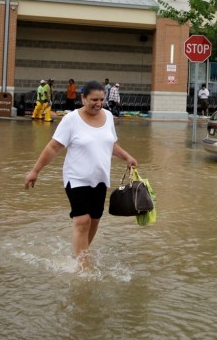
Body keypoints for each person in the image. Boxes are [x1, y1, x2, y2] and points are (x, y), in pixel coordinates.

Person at [24, 80, 138, 270]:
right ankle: (84, 265)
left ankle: (80, 254)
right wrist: (35, 171)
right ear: (83, 98)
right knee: (82, 220)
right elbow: (53, 147)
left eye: (101, 99)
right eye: (94, 99)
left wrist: (126, 157)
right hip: (76, 177)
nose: (98, 103)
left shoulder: (108, 117)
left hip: (100, 177)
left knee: (94, 220)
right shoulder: (71, 120)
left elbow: (110, 144)